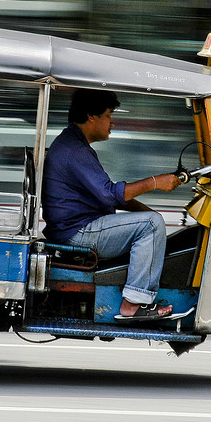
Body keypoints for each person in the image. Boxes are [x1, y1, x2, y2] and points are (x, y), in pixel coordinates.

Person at [42, 89, 181, 321]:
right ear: (91, 116)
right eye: (108, 115)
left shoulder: (74, 145)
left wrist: (148, 213)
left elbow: (109, 196)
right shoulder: (73, 150)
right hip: (78, 232)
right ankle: (134, 304)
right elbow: (110, 195)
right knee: (152, 224)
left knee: (152, 221)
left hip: (78, 226)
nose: (112, 122)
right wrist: (155, 183)